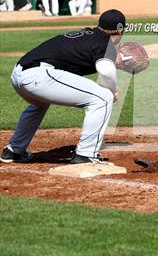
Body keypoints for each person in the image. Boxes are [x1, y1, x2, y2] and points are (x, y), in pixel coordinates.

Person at [1, 9, 126, 164]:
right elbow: (105, 70)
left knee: (39, 103)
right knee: (103, 97)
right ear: (120, 30)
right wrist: (113, 90)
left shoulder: (89, 35)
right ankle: (86, 154)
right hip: (39, 76)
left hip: (19, 75)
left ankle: (15, 150)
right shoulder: (105, 43)